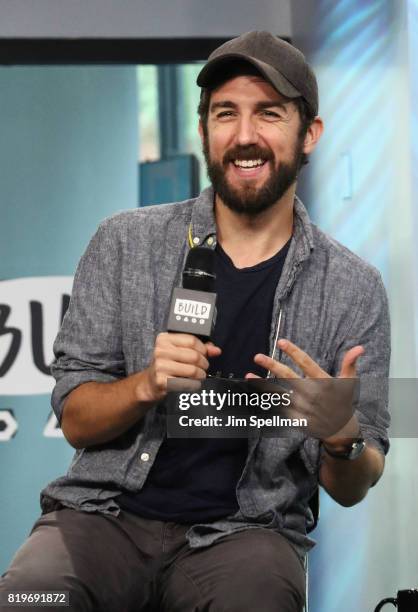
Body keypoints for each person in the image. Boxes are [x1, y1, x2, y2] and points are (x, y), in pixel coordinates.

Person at [0, 31, 390, 612]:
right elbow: (77, 419)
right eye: (225, 113)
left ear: (309, 134)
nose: (245, 136)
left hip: (247, 533)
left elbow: (354, 486)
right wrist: (146, 384)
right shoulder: (124, 243)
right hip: (102, 519)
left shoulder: (353, 288)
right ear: (204, 128)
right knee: (30, 599)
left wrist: (342, 437)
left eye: (269, 114)